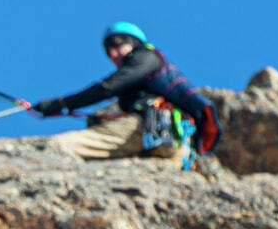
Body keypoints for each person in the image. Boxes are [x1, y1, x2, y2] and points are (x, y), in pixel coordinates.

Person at [31, 21, 222, 166]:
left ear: (133, 43)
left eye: (117, 45)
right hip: (174, 141)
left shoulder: (147, 57)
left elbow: (108, 87)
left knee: (55, 147)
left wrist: (61, 104)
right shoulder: (154, 71)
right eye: (108, 51)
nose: (113, 55)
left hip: (150, 127)